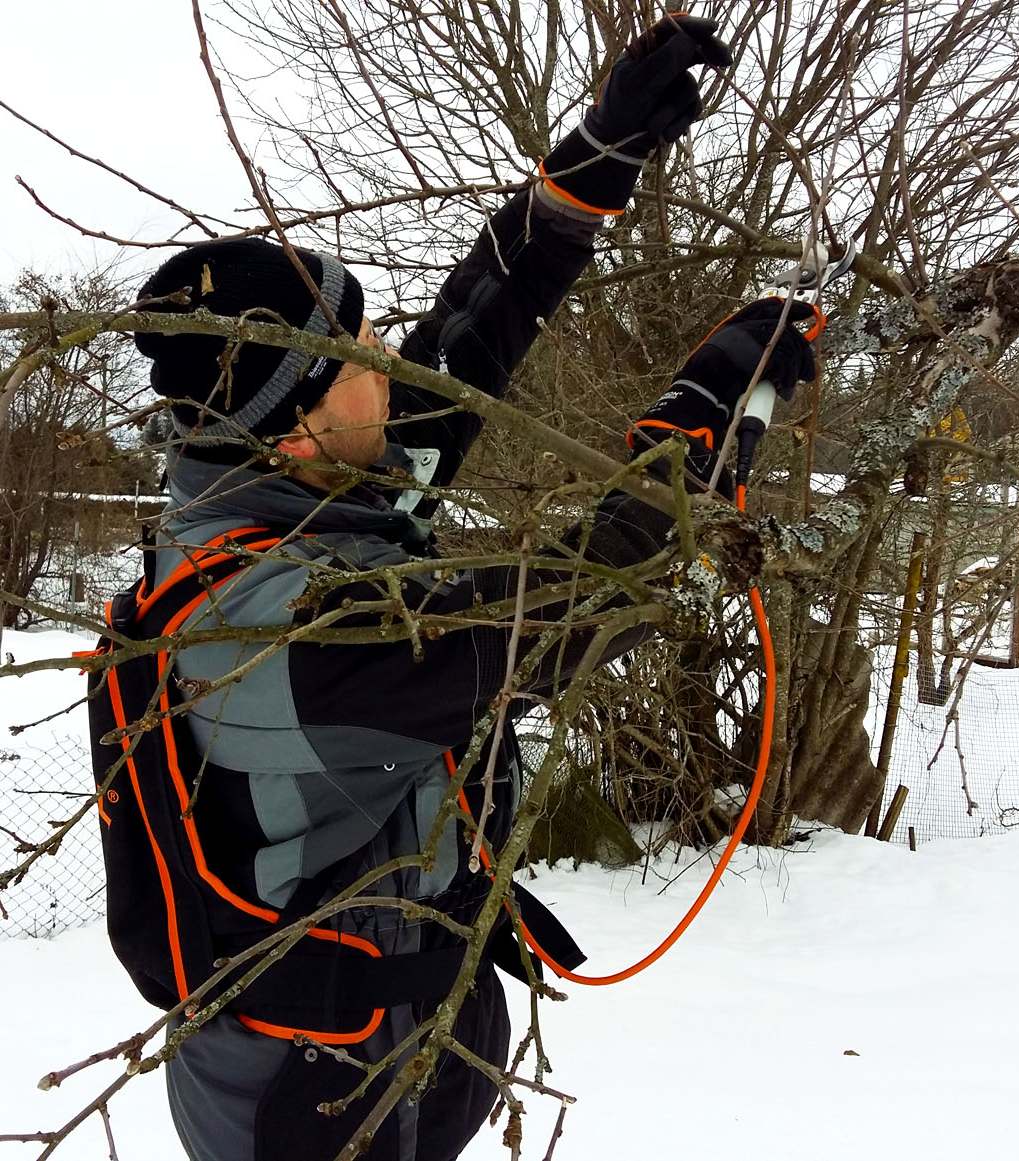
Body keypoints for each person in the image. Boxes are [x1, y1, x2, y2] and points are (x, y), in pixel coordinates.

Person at [98, 15, 813, 1161]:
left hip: (404, 1045)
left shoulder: (320, 493)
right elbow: (557, 610)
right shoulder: (268, 628)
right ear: (293, 427)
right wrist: (701, 433)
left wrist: (596, 162)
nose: (390, 362)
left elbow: (467, 342)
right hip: (308, 1098)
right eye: (361, 355)